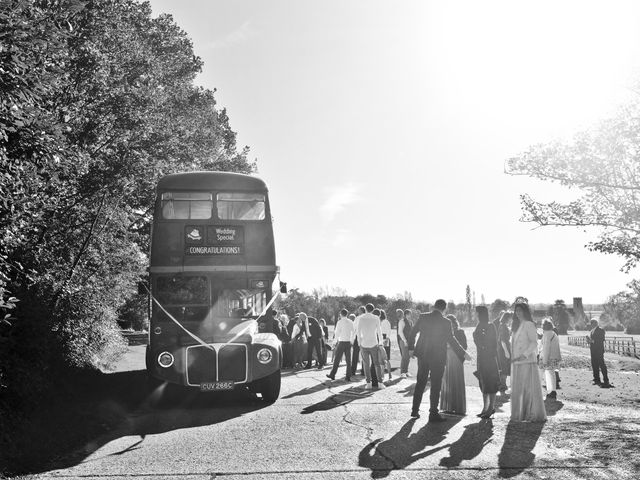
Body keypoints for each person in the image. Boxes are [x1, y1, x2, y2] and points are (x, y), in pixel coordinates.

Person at [408, 299, 471, 421]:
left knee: (420, 382)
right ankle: (433, 413)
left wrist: (411, 348)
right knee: (436, 385)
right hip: (438, 357)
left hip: (423, 354)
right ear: (444, 309)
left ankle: (414, 411)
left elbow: (413, 333)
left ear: (434, 306)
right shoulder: (446, 322)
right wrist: (463, 353)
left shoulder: (423, 317)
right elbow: (452, 340)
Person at [510, 301, 546, 422]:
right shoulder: (515, 326)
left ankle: (530, 414)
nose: (518, 313)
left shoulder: (529, 324)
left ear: (525, 312)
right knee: (518, 389)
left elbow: (533, 342)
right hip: (516, 361)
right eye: (516, 311)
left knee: (527, 389)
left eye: (520, 310)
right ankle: (519, 414)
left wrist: (524, 355)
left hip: (527, 361)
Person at [473, 306, 501, 418]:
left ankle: (491, 408)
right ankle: (485, 408)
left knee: (491, 383)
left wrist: (479, 341)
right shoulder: (479, 326)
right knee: (483, 383)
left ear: (481, 314)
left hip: (489, 359)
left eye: (477, 313)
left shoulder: (490, 326)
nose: (476, 315)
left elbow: (493, 343)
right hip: (481, 358)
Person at [440, 314, 467, 415]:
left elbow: (464, 346)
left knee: (457, 381)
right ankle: (448, 407)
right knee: (447, 381)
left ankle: (458, 407)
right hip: (447, 359)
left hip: (457, 359)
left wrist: (452, 347)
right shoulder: (444, 333)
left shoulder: (460, 332)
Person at [355, 303, 385, 390]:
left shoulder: (361, 318)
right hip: (374, 343)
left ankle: (368, 383)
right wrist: (381, 343)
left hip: (364, 343)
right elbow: (379, 331)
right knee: (377, 364)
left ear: (366, 309)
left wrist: (359, 343)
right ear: (372, 309)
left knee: (366, 365)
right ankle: (380, 383)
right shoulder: (376, 318)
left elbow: (358, 332)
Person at [327, 309, 354, 381]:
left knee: (337, 359)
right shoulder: (351, 322)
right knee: (348, 361)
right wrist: (352, 341)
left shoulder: (339, 322)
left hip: (341, 342)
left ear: (341, 314)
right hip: (348, 342)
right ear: (347, 314)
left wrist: (334, 343)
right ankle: (348, 376)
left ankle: (332, 374)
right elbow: (353, 332)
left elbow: (337, 334)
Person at [540, 318, 562, 399]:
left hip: (547, 358)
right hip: (553, 357)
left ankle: (550, 391)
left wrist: (544, 361)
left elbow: (546, 348)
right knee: (551, 374)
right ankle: (552, 391)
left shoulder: (547, 334)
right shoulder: (553, 333)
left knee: (545, 374)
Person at [588, 319, 612, 388]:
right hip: (593, 351)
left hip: (599, 351)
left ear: (594, 323)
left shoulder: (601, 330)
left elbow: (601, 339)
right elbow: (592, 341)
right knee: (594, 365)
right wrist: (589, 341)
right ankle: (596, 379)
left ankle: (606, 380)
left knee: (602, 365)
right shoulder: (592, 331)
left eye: (591, 323)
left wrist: (592, 341)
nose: (591, 325)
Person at [496, 311, 512, 393]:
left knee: (504, 367)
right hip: (503, 350)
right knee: (504, 367)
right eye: (510, 318)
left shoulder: (503, 326)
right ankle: (502, 386)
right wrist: (506, 352)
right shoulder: (503, 327)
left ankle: (502, 385)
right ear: (507, 318)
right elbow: (503, 341)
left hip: (502, 349)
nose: (511, 320)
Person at [397, 309, 413, 378]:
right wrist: (405, 341)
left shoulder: (411, 322)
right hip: (403, 341)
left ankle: (406, 371)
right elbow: (400, 332)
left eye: (410, 314)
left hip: (409, 341)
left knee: (408, 357)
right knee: (404, 356)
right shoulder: (402, 321)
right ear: (405, 315)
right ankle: (402, 372)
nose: (409, 316)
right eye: (408, 314)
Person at [351, 306, 366, 377]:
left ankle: (353, 371)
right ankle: (363, 371)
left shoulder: (357, 318)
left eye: (359, 310)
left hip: (358, 337)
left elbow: (353, 329)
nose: (358, 311)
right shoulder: (367, 317)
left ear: (361, 311)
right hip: (365, 337)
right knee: (364, 355)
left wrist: (352, 339)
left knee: (355, 355)